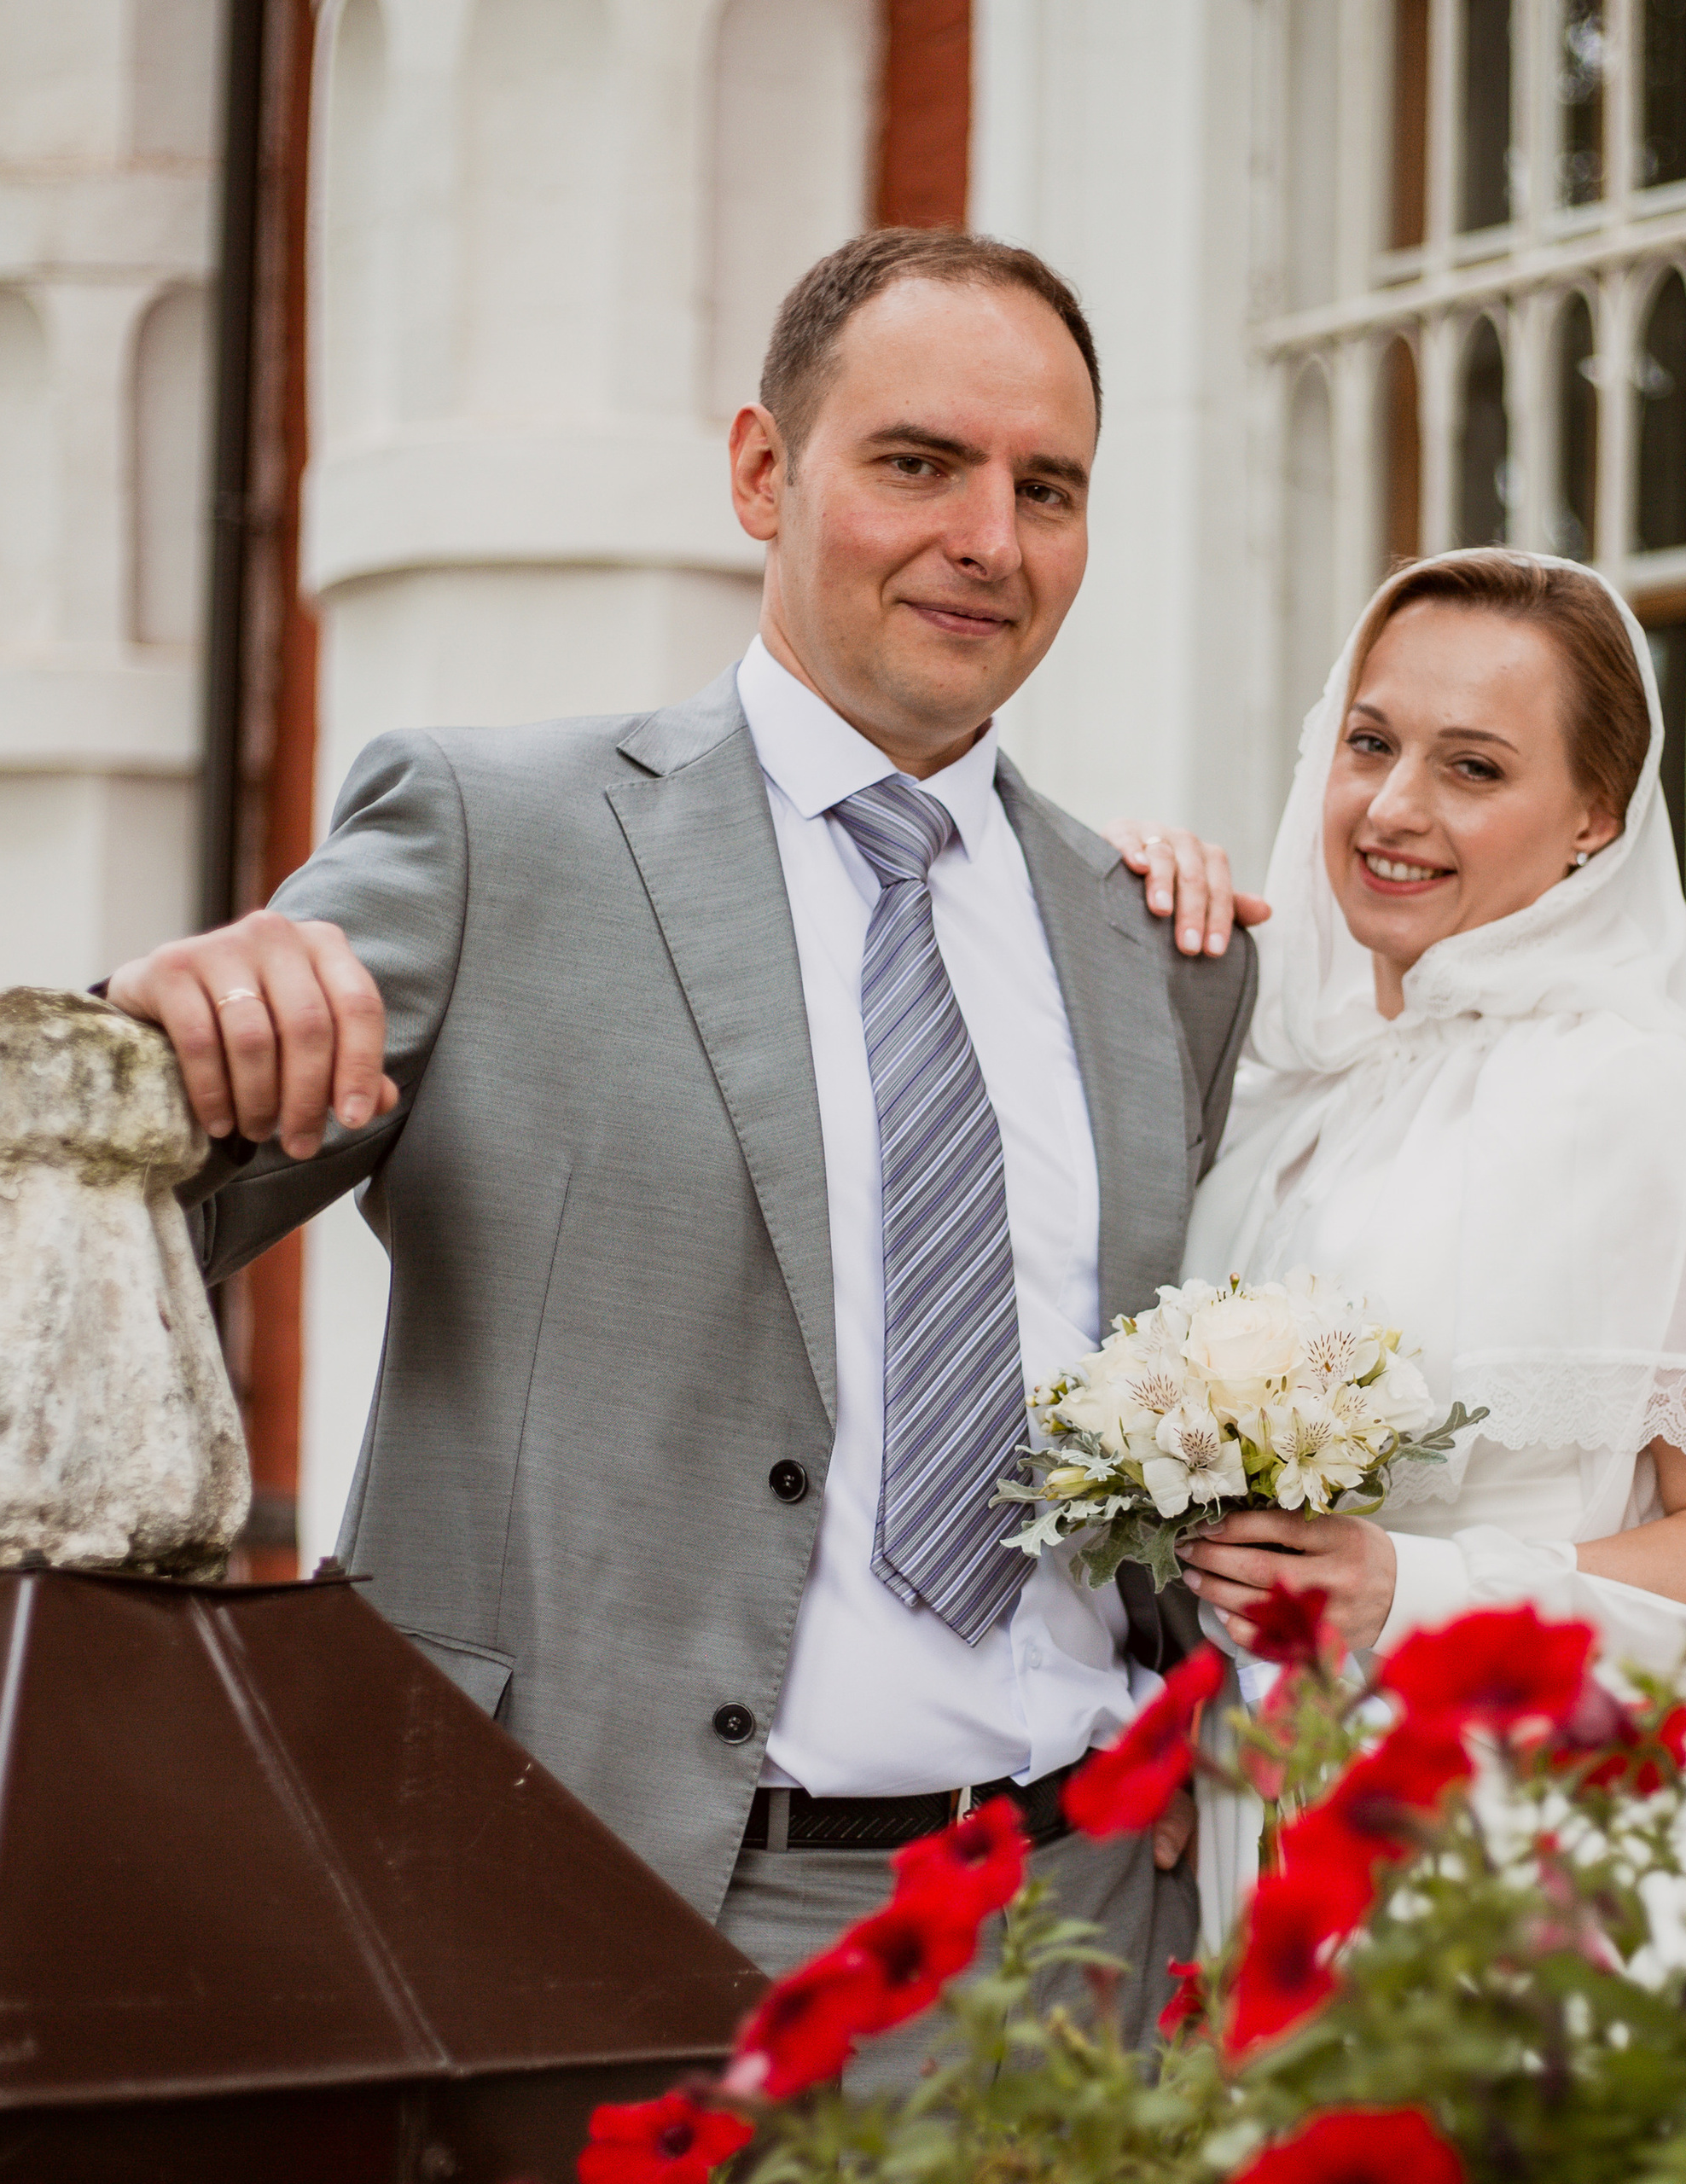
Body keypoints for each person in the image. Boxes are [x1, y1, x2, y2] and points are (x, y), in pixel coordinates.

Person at [102, 229, 1260, 2076]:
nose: (990, 535)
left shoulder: (1157, 946)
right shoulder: (497, 835)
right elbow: (129, 1227)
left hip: (1081, 1930)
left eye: (1045, 486)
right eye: (915, 462)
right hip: (601, 1904)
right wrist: (153, 1043)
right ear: (757, 469)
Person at [1167, 549, 1686, 1923]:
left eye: (1475, 768)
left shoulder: (1635, 1092)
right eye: (1369, 742)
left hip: (1538, 1876)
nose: (1392, 806)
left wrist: (1412, 1588)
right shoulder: (1288, 1092)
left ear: (1594, 823)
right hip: (1266, 1853)